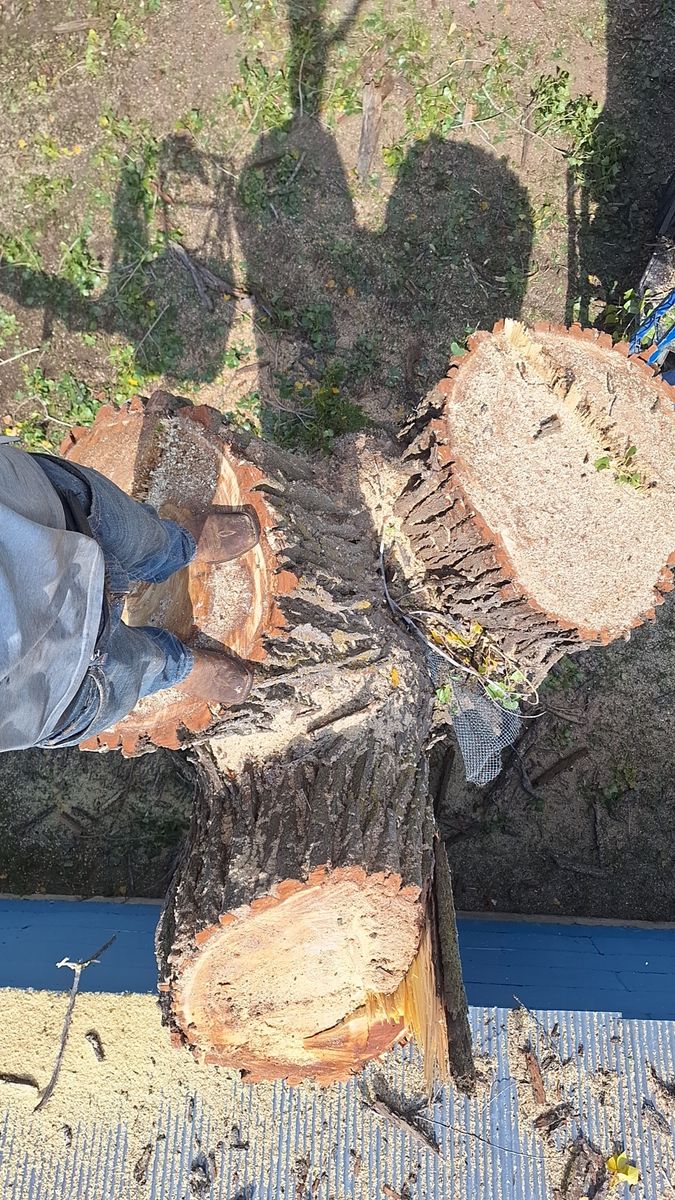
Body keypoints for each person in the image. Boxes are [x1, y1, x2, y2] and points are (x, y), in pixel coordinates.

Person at [0, 437, 258, 752]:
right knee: (140, 666)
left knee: (139, 536)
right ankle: (176, 665)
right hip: (49, 689)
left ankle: (177, 548)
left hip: (40, 504)